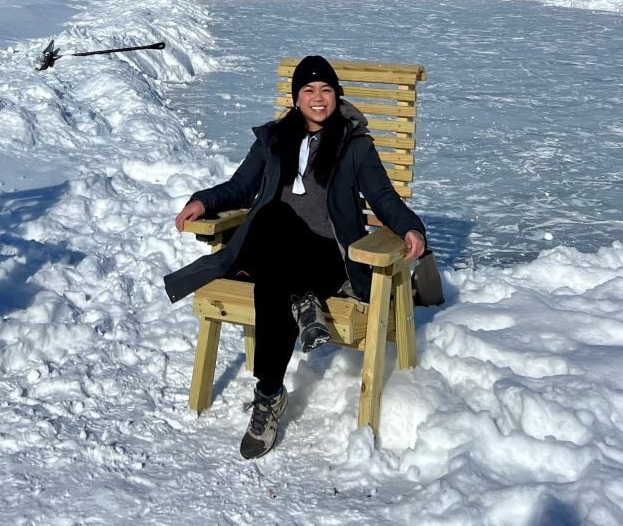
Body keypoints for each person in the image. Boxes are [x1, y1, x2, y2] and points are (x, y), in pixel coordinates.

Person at [164, 55, 426, 459]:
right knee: (273, 217)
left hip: (326, 256)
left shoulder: (354, 145)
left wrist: (409, 227)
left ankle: (269, 395)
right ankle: (303, 303)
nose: (318, 98)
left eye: (326, 90)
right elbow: (241, 186)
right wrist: (203, 201)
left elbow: (382, 197)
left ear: (336, 95)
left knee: (275, 273)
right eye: (308, 90)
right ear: (296, 97)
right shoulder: (273, 140)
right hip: (273, 246)